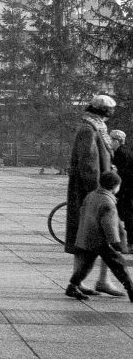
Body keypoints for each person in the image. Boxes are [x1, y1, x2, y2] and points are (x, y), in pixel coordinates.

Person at [66, 95, 122, 296]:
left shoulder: (96, 127)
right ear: (105, 111)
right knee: (89, 235)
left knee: (92, 235)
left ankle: (98, 280)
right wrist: (96, 192)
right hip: (90, 191)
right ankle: (89, 281)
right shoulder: (88, 128)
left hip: (98, 190)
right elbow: (89, 165)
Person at [65, 170, 133, 302]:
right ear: (115, 187)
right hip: (100, 241)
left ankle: (72, 286)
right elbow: (109, 226)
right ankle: (130, 288)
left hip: (87, 237)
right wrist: (116, 243)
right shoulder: (108, 203)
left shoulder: (91, 195)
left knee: (86, 264)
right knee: (118, 263)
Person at [112, 130, 133, 250]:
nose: (110, 143)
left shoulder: (120, 153)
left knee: (127, 216)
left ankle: (129, 244)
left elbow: (120, 175)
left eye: (111, 140)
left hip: (126, 191)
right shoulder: (126, 151)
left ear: (116, 141)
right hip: (127, 190)